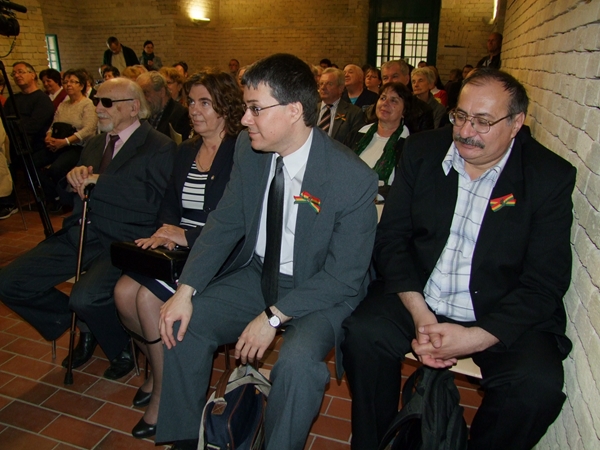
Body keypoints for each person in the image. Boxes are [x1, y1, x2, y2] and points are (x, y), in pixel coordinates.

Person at [342, 68, 576, 450]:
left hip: (497, 306)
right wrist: (420, 313)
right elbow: (392, 239)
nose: (466, 131)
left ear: (516, 123)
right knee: (363, 335)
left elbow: (545, 282)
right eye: (461, 116)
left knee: (537, 386)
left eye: (483, 121)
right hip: (421, 293)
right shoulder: (422, 151)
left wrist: (472, 338)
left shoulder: (547, 176)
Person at [155, 53, 378, 450]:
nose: (244, 119)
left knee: (297, 366)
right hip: (259, 273)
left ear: (294, 111)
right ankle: (185, 441)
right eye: (246, 108)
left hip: (320, 289)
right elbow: (226, 221)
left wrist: (272, 317)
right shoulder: (249, 148)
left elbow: (344, 276)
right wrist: (185, 290)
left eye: (255, 109)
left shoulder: (351, 178)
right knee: (183, 324)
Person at [0, 77, 176, 380]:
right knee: (9, 282)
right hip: (80, 231)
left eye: (107, 102)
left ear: (133, 107)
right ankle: (87, 324)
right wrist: (73, 180)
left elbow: (153, 201)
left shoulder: (159, 146)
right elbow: (69, 191)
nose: (98, 108)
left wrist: (100, 182)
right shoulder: (95, 143)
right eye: (96, 101)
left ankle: (119, 345)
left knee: (85, 297)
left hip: (123, 239)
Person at [114, 70, 244, 439]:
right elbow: (169, 202)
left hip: (214, 251)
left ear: (226, 108)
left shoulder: (242, 151)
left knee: (146, 300)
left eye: (205, 102)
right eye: (190, 102)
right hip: (178, 246)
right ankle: (160, 373)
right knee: (122, 293)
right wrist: (165, 232)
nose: (194, 110)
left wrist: (186, 236)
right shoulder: (186, 149)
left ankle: (163, 394)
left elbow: (239, 222)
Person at [0, 62, 55, 218]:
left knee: (21, 162)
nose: (17, 75)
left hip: (36, 144)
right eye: (14, 73)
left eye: (21, 72)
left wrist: (15, 127)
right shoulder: (13, 99)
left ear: (32, 74)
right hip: (13, 142)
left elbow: (34, 125)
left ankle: (9, 202)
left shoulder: (42, 99)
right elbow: (5, 122)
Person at [42, 69, 98, 212]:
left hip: (77, 146)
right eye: (66, 82)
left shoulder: (87, 104)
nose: (68, 85)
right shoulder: (63, 104)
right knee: (33, 163)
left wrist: (66, 141)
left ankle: (64, 199)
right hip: (59, 144)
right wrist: (49, 136)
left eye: (73, 82)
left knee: (56, 169)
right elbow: (53, 124)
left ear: (81, 85)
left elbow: (88, 129)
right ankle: (53, 196)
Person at [345, 82, 411, 189]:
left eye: (393, 100)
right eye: (383, 98)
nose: (385, 103)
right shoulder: (357, 134)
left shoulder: (409, 145)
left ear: (404, 110)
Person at [380, 60, 434, 134]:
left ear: (407, 79)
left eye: (395, 76)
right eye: (385, 78)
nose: (390, 81)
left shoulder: (423, 111)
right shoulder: (372, 111)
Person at [136, 71, 191, 139]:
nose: (142, 99)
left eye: (145, 93)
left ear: (162, 92)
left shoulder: (180, 115)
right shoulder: (144, 115)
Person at [317, 68, 365, 144]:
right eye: (321, 84)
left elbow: (354, 144)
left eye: (329, 84)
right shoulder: (309, 109)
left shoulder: (353, 113)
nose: (323, 88)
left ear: (341, 88)